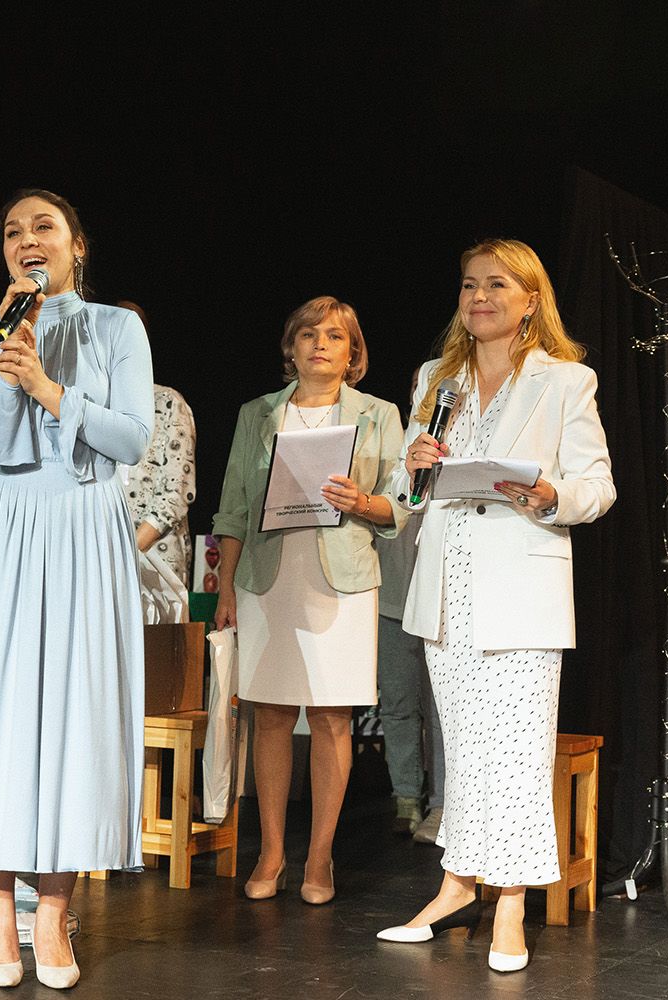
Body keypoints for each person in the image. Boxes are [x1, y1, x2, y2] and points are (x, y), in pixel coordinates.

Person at [0, 189, 152, 990]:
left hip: (86, 524)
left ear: (76, 244)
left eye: (43, 227)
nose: (27, 240)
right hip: (8, 525)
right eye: (13, 231)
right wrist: (9, 354)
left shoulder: (117, 328)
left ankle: (53, 914)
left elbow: (131, 439)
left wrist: (52, 388)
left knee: (76, 714)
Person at [376, 240, 614, 973]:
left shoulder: (565, 381)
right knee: (467, 751)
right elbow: (408, 497)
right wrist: (409, 474)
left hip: (521, 588)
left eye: (496, 285)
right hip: (448, 588)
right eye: (469, 285)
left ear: (530, 299)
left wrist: (547, 493)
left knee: (516, 753)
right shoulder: (435, 380)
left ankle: (509, 902)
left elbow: (597, 486)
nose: (479, 297)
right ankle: (455, 887)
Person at [211, 296, 407, 906]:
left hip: (342, 580)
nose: (320, 343)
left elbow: (403, 502)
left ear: (353, 354)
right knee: (269, 714)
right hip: (268, 579)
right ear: (290, 347)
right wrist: (225, 587)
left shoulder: (379, 414)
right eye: (308, 334)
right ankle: (271, 851)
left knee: (330, 717)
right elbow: (232, 506)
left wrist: (362, 502)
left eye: (335, 336)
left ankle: (320, 855)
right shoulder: (257, 414)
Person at [376, 371, 444, 842]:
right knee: (398, 704)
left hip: (439, 598)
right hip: (391, 596)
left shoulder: (451, 445)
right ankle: (405, 797)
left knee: (441, 711)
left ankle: (441, 805)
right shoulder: (394, 446)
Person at [115, 300, 197, 590]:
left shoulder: (167, 403)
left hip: (155, 564)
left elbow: (176, 493)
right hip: (98, 562)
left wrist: (124, 555)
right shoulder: (87, 406)